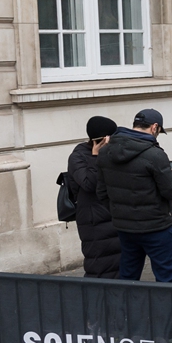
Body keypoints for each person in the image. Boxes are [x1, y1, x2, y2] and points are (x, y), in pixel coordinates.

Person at [98, 109, 172, 283]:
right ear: (154, 127)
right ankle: (165, 311)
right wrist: (170, 174)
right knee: (167, 278)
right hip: (156, 227)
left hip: (125, 228)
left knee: (128, 276)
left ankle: (127, 310)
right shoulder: (155, 154)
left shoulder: (106, 152)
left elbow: (101, 193)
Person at [67, 116, 121, 279]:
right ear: (104, 138)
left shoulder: (112, 152)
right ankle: (95, 302)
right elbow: (89, 184)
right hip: (93, 220)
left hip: (112, 215)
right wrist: (95, 156)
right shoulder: (78, 156)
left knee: (118, 265)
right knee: (99, 266)